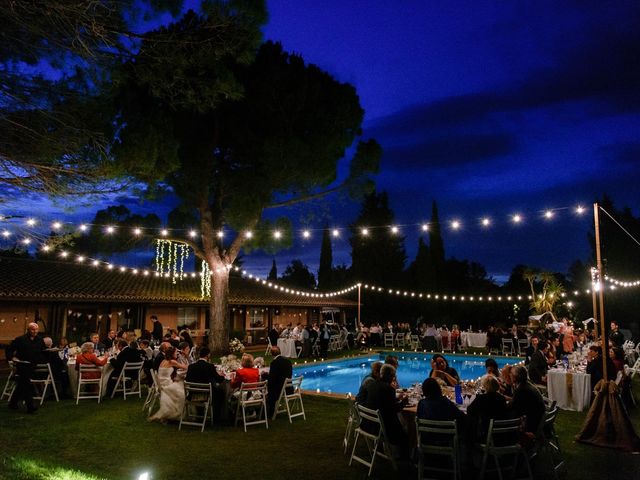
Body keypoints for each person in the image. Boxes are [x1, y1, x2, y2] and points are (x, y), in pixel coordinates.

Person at [363, 364, 408, 451]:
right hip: (380, 428)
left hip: (368, 423)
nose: (394, 378)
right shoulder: (389, 389)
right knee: (406, 431)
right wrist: (404, 402)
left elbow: (382, 400)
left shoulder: (373, 384)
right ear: (389, 376)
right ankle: (404, 457)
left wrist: (395, 398)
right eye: (393, 376)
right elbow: (395, 410)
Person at [6, 322, 45, 413]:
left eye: (36, 329)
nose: (35, 331)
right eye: (33, 329)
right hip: (22, 365)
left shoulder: (40, 340)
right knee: (26, 384)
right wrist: (12, 358)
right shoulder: (20, 339)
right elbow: (9, 349)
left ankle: (12, 403)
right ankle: (30, 406)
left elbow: (43, 351)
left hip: (33, 365)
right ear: (28, 330)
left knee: (21, 385)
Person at [186, 346, 227, 420]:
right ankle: (217, 416)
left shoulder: (191, 367)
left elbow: (187, 379)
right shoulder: (210, 366)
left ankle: (200, 413)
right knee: (221, 392)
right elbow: (219, 380)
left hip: (193, 394)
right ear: (208, 355)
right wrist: (223, 376)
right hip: (206, 394)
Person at [148, 346, 187, 422]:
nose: (177, 354)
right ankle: (177, 413)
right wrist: (185, 356)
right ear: (172, 354)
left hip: (162, 384)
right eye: (176, 352)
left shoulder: (164, 361)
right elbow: (185, 367)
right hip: (166, 386)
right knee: (182, 389)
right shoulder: (172, 362)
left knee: (179, 383)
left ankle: (174, 411)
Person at [467, 375, 507, 440]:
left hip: (485, 433)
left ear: (485, 386)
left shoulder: (481, 398)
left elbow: (469, 410)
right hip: (502, 433)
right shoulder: (502, 398)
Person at [509, 365, 545, 434]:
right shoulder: (527, 384)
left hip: (532, 422)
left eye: (511, 373)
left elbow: (512, 407)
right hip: (538, 416)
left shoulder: (521, 389)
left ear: (516, 377)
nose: (510, 375)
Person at [266, 346, 293, 417]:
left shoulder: (274, 362)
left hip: (280, 389)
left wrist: (265, 377)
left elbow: (272, 378)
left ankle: (270, 411)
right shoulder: (288, 361)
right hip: (289, 388)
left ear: (271, 354)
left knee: (269, 387)